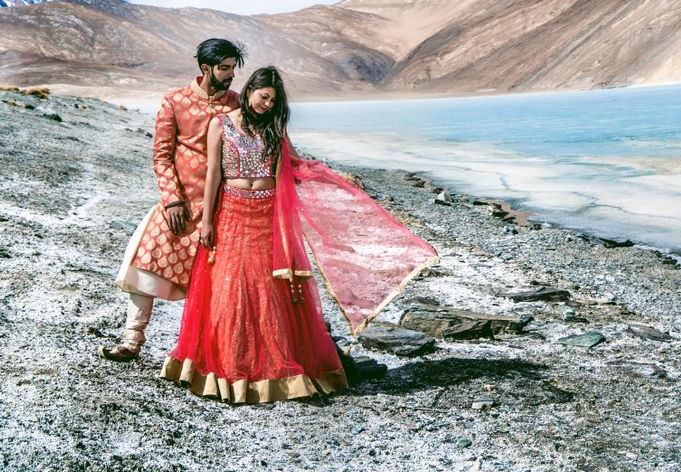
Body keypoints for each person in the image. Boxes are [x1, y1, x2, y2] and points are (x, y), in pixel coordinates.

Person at [162, 65, 439, 405]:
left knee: (269, 290)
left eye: (273, 101)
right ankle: (231, 369)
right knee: (231, 286)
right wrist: (206, 220)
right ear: (250, 92)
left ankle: (273, 369)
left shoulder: (275, 130)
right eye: (264, 97)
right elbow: (213, 174)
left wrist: (333, 178)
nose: (267, 105)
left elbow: (294, 166)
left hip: (266, 215)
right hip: (231, 213)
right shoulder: (220, 125)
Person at [101, 38, 243, 361]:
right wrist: (172, 200)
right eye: (225, 68)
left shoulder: (236, 105)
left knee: (217, 283)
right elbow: (161, 157)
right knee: (146, 262)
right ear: (206, 68)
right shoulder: (174, 101)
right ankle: (131, 341)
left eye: (234, 68)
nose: (231, 74)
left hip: (221, 207)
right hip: (178, 205)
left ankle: (206, 352)